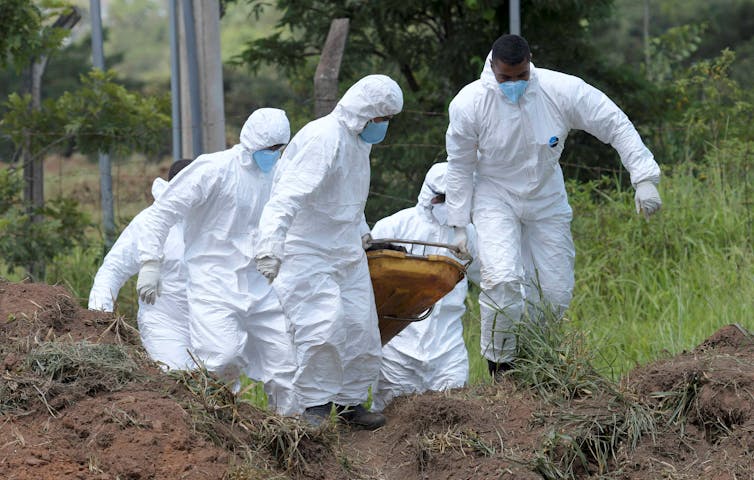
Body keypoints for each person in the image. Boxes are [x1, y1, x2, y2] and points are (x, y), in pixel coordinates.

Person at [445, 34, 662, 377]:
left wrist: (644, 176)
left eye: (521, 76)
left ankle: (536, 357)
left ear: (530, 64)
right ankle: (501, 367)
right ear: (493, 69)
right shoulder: (470, 103)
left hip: (546, 196)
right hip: (495, 195)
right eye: (506, 79)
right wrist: (457, 223)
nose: (514, 84)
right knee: (501, 279)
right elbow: (458, 164)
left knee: (556, 292)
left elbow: (613, 121)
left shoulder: (561, 90)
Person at [254, 74, 403, 429]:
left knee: (359, 327)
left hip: (345, 248)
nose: (383, 127)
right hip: (308, 249)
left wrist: (367, 237)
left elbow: (347, 201)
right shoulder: (325, 138)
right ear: (364, 113)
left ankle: (350, 404)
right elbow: (287, 196)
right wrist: (270, 245)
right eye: (382, 119)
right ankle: (315, 406)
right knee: (323, 325)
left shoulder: (357, 142)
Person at [135, 108, 298, 415]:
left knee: (284, 359)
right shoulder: (213, 169)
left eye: (279, 149)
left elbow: (288, 216)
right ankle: (215, 419)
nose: (274, 155)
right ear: (251, 143)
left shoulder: (278, 175)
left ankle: (295, 431)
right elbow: (162, 213)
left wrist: (274, 251)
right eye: (269, 149)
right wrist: (150, 263)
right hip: (213, 280)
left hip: (260, 281)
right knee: (222, 357)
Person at [369, 162, 479, 412]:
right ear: (428, 195)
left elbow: (491, 278)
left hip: (447, 349)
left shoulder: (468, 235)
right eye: (442, 198)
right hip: (398, 348)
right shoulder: (393, 227)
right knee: (390, 424)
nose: (448, 204)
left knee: (453, 418)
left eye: (455, 198)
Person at [88, 159, 193, 370]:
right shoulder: (149, 223)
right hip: (165, 324)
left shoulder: (218, 219)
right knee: (177, 380)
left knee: (221, 386)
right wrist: (100, 317)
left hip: (212, 323)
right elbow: (114, 268)